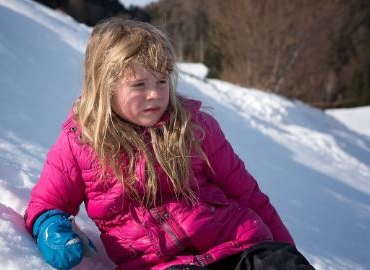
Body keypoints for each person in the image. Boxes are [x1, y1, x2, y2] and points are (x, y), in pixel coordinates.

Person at [24, 18, 315, 270]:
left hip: (240, 248)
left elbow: (248, 194)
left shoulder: (196, 128)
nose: (154, 95)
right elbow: (48, 203)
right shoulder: (82, 143)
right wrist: (51, 228)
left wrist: (288, 250)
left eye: (162, 82)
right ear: (106, 86)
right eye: (139, 85)